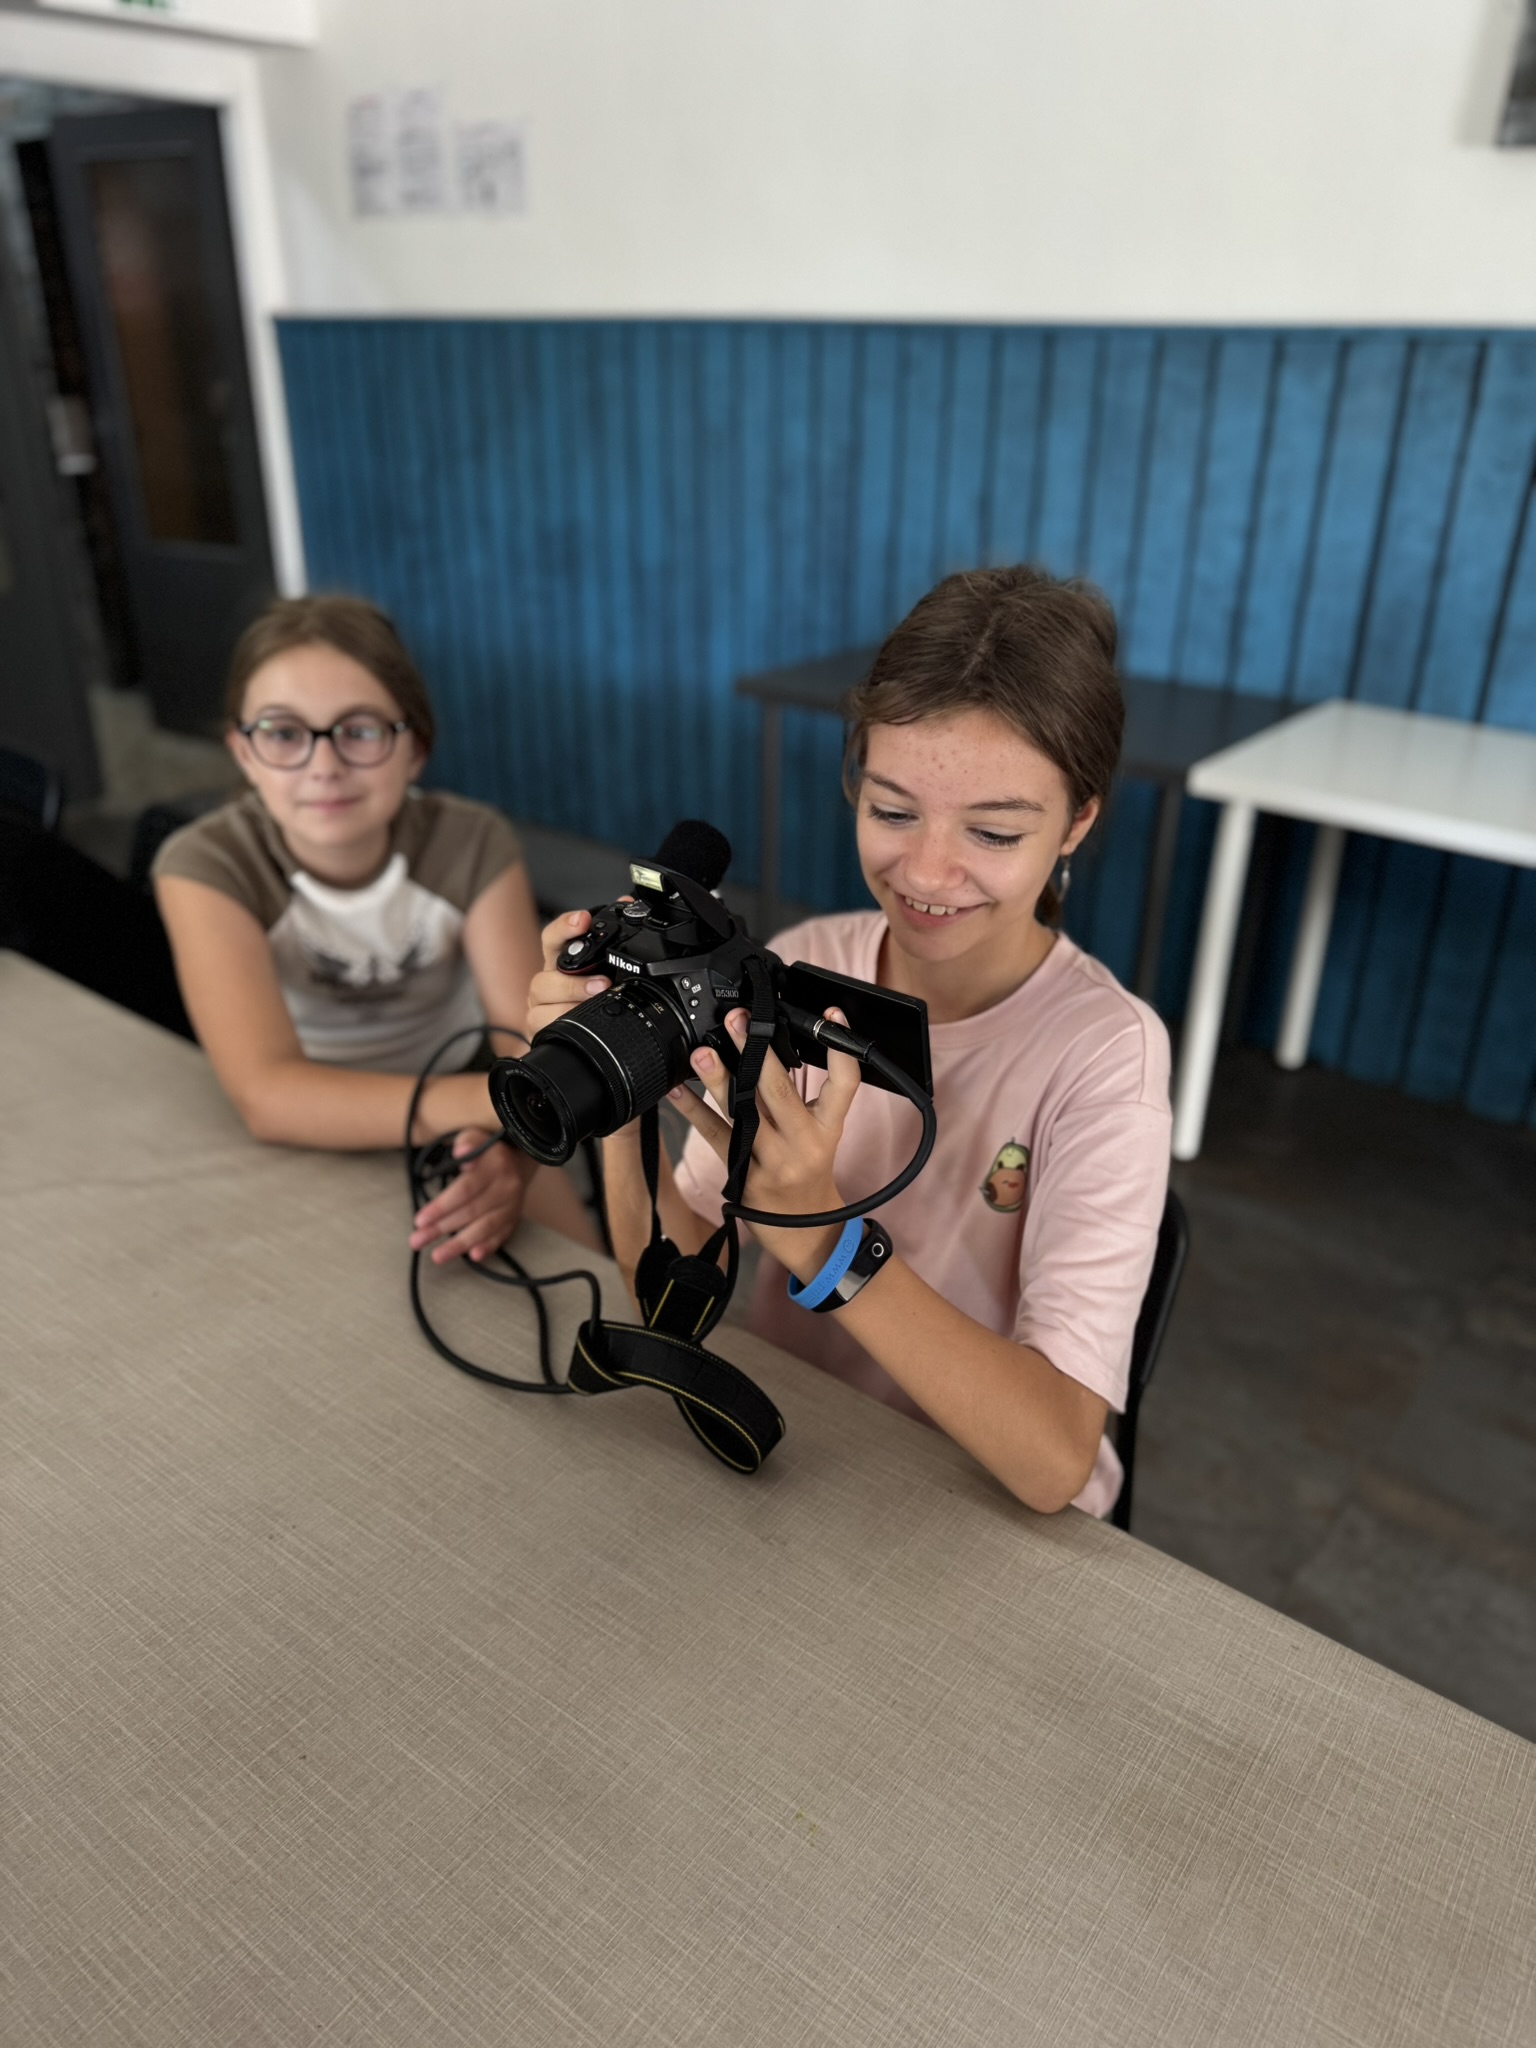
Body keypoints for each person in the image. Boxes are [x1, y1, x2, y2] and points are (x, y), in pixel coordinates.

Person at [530, 565, 1170, 1515]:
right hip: (806, 1453)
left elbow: (1053, 1460)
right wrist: (614, 1070)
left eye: (994, 833)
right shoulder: (805, 963)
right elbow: (665, 1290)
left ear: (1078, 820)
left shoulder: (1107, 1054)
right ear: (853, 782)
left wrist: (827, 1239)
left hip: (982, 1505)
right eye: (893, 811)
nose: (929, 872)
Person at [154, 593, 596, 1263]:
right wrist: (503, 1105)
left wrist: (513, 1145)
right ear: (243, 753)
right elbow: (268, 1095)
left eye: (359, 731)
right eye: (283, 733)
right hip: (324, 1109)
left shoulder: (474, 841)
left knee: (590, 1280)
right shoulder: (204, 865)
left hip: (472, 1092)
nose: (323, 766)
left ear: (415, 748)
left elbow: (527, 1042)